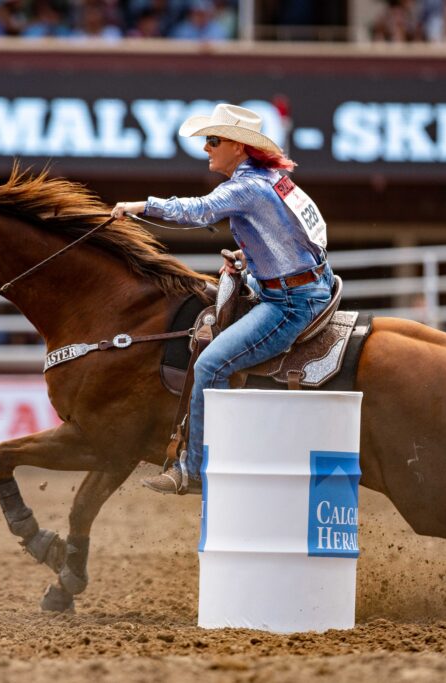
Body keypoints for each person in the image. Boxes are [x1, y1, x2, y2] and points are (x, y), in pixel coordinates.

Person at [111, 103, 335, 495]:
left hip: (289, 303)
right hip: (310, 284)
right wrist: (252, 258)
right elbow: (306, 234)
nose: (206, 148)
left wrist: (139, 206)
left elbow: (199, 211)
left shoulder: (247, 187)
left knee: (211, 364)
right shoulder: (274, 179)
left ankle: (193, 470)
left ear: (237, 146)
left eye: (213, 141)